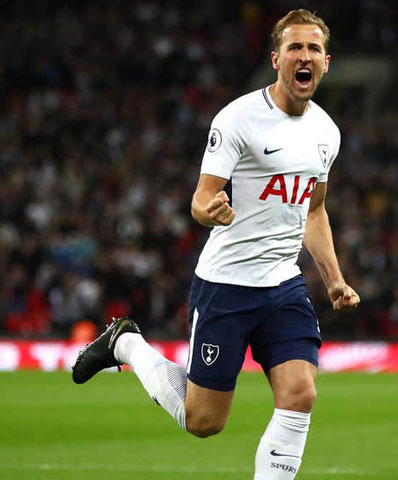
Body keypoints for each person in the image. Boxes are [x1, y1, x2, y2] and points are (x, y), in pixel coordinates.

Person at [71, 9, 360, 480]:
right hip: (227, 284)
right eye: (294, 47)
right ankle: (126, 344)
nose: (303, 56)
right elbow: (201, 199)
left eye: (313, 49)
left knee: (301, 393)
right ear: (276, 58)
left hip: (283, 286)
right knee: (204, 421)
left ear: (326, 62)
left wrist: (334, 279)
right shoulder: (238, 119)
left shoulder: (326, 132)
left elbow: (313, 209)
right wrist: (212, 210)